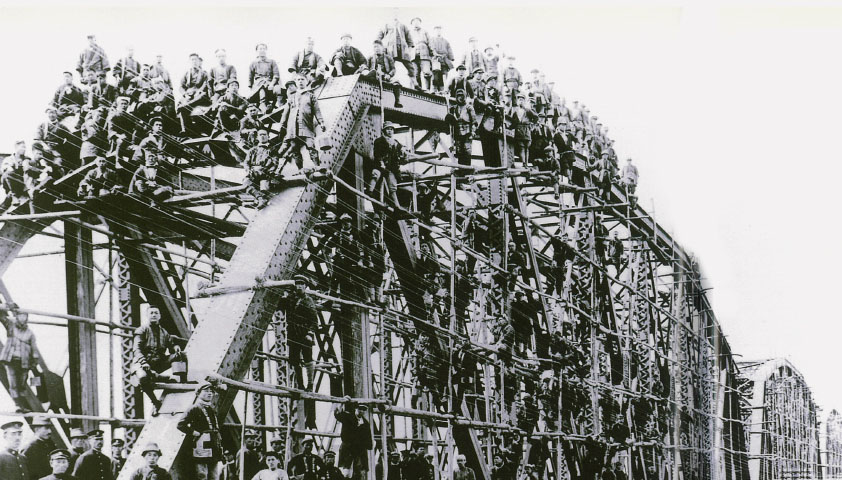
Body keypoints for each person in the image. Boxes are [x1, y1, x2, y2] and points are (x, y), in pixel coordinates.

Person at [131, 306, 184, 415]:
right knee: (143, 378)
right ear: (147, 315)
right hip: (143, 364)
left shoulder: (164, 332)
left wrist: (175, 347)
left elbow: (171, 344)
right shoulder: (142, 330)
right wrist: (143, 362)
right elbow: (136, 349)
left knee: (181, 355)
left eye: (156, 313)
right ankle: (155, 402)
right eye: (151, 313)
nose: (154, 315)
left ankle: (182, 381)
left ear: (159, 316)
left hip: (159, 363)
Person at [177, 380, 226, 480]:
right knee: (202, 474)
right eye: (206, 391)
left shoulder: (210, 408)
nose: (209, 393)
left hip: (213, 444)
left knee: (214, 475)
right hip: (202, 445)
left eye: (211, 391)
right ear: (198, 393)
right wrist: (194, 433)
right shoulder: (194, 408)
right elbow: (181, 425)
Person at [277, 73, 326, 171]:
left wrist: (321, 122)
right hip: (292, 128)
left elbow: (317, 110)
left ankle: (317, 166)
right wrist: (282, 125)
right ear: (295, 82)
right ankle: (300, 169)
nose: (300, 81)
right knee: (295, 148)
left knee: (311, 145)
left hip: (306, 126)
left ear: (306, 81)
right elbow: (286, 113)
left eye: (302, 79)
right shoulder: (291, 97)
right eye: (298, 80)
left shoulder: (311, 96)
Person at [0, 305, 40, 410]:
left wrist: (34, 363)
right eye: (20, 316)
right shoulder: (11, 326)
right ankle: (18, 405)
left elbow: (34, 349)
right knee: (13, 383)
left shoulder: (30, 334)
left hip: (24, 362)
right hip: (11, 360)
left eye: (24, 316)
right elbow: (2, 316)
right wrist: (8, 306)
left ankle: (23, 405)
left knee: (22, 385)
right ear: (17, 317)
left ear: (27, 318)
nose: (22, 318)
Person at [368, 121, 407, 208]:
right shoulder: (379, 141)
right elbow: (377, 153)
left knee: (392, 186)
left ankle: (397, 206)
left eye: (391, 129)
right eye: (388, 129)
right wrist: (381, 163)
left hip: (390, 168)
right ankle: (370, 191)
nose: (390, 131)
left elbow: (401, 148)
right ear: (384, 131)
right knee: (375, 174)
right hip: (379, 164)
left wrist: (403, 150)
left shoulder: (395, 142)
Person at [358, 39, 402, 109]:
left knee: (397, 82)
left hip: (385, 76)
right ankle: (371, 74)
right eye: (374, 47)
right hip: (374, 75)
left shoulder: (388, 58)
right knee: (372, 72)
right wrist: (365, 69)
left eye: (378, 47)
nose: (376, 49)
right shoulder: (370, 58)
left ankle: (397, 101)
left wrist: (389, 75)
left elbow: (393, 69)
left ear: (382, 47)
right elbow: (366, 66)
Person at [335, 399, 372, 480]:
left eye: (363, 409)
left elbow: (368, 441)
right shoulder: (348, 417)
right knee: (345, 473)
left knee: (359, 473)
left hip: (359, 451)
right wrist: (342, 402)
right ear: (356, 408)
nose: (361, 411)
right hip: (347, 449)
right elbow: (337, 415)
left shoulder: (365, 424)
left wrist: (367, 446)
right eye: (360, 408)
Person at [376, 13, 416, 88]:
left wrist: (409, 50)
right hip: (391, 50)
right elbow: (379, 36)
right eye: (394, 14)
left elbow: (409, 39)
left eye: (397, 14)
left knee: (410, 67)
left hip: (403, 51)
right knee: (389, 66)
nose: (395, 16)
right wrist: (379, 46)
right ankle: (388, 81)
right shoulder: (386, 25)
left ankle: (415, 84)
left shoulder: (403, 26)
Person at [242, 128, 278, 209]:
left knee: (263, 184)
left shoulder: (272, 149)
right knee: (246, 182)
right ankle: (260, 199)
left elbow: (275, 162)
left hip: (265, 172)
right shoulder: (252, 150)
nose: (262, 136)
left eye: (264, 135)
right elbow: (246, 162)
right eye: (260, 135)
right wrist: (248, 170)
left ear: (268, 137)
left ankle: (258, 200)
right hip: (254, 172)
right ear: (257, 137)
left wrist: (269, 171)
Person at [177, 53, 210, 133]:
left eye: (196, 60)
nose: (194, 61)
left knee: (202, 96)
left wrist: (199, 91)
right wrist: (185, 94)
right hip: (189, 95)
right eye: (192, 60)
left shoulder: (204, 73)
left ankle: (186, 106)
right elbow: (181, 86)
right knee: (182, 107)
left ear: (199, 61)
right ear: (189, 61)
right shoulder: (187, 74)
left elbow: (205, 85)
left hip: (199, 94)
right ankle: (185, 130)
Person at [446, 89, 475, 167]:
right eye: (458, 96)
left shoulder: (469, 108)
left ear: (465, 96)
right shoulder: (454, 108)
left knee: (467, 152)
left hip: (467, 133)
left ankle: (467, 171)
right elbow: (449, 119)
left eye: (462, 96)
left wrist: (473, 132)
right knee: (459, 153)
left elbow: (474, 122)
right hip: (458, 133)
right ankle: (460, 172)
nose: (460, 98)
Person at [508, 93, 539, 165]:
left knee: (527, 147)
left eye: (522, 100)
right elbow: (512, 120)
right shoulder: (514, 110)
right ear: (517, 101)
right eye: (519, 100)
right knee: (521, 147)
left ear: (524, 101)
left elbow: (536, 117)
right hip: (518, 130)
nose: (520, 101)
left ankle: (526, 163)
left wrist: (532, 125)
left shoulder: (527, 110)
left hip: (526, 130)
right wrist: (510, 128)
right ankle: (524, 163)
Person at [249, 43, 281, 112]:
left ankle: (281, 106)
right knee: (261, 89)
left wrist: (272, 84)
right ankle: (263, 108)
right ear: (257, 51)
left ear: (266, 50)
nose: (262, 50)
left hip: (270, 83)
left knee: (278, 89)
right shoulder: (253, 63)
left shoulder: (272, 62)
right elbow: (250, 78)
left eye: (264, 49)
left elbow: (276, 75)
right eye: (260, 49)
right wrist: (251, 89)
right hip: (259, 84)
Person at [2, 141, 29, 207]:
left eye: (25, 147)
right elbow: (5, 170)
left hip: (24, 183)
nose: (24, 149)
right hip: (12, 183)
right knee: (8, 173)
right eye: (22, 147)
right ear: (16, 148)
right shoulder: (8, 159)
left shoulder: (27, 159)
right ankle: (14, 196)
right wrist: (11, 167)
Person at [408, 17, 432, 91]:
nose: (416, 23)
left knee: (427, 72)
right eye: (414, 22)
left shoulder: (425, 31)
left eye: (417, 22)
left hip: (424, 54)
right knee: (415, 73)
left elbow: (430, 42)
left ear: (420, 23)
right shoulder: (409, 33)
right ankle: (418, 89)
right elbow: (406, 44)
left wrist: (432, 52)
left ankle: (428, 89)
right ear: (412, 24)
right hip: (413, 56)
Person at [428, 25, 453, 94]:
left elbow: (449, 49)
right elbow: (431, 47)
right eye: (437, 30)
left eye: (439, 30)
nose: (438, 31)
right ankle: (434, 89)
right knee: (435, 75)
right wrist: (434, 53)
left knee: (444, 74)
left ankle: (443, 90)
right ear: (434, 31)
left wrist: (451, 57)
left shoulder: (445, 41)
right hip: (435, 59)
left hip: (444, 60)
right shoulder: (432, 39)